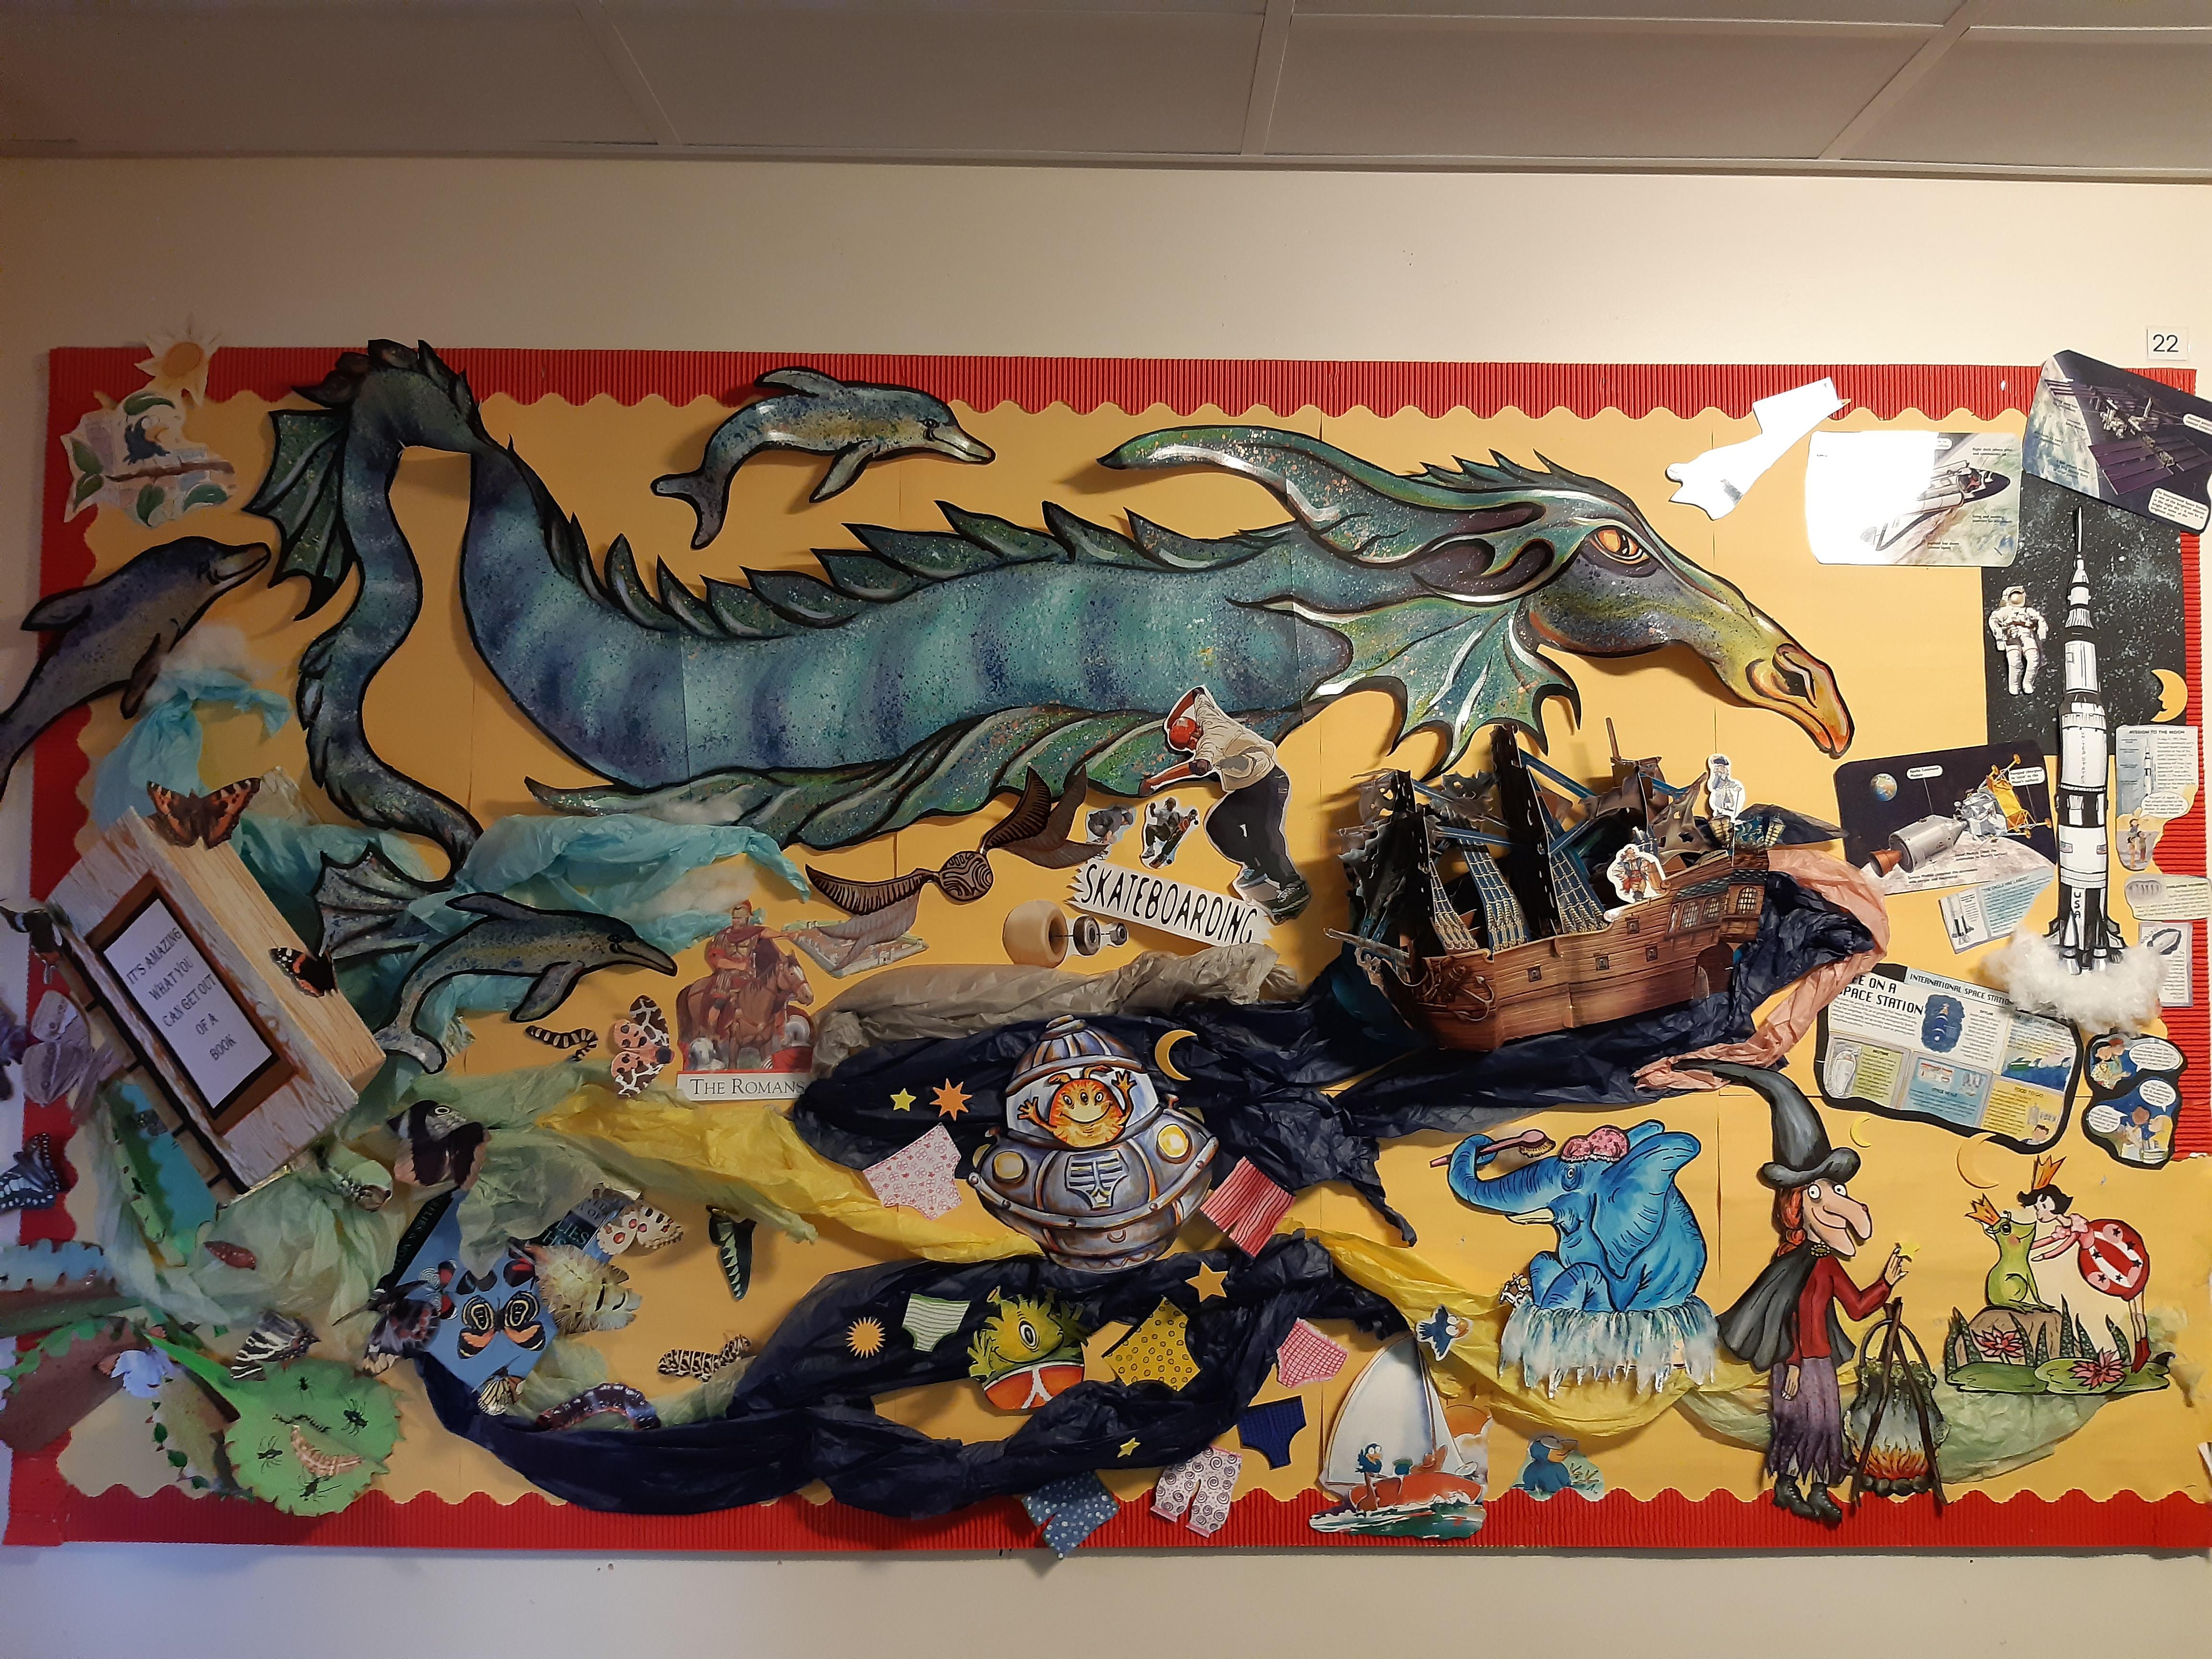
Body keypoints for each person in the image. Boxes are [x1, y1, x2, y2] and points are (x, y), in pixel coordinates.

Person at [1713, 1063, 1909, 1527]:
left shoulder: (1826, 1263)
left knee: (1825, 1425)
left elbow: (1857, 1308)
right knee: (1795, 1423)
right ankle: (1786, 1487)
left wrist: (1887, 1282)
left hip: (1821, 1364)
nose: (1837, 1205)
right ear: (1797, 1207)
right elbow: (1791, 1314)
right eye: (1819, 1195)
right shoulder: (1792, 1266)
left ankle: (1820, 1488)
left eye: (1837, 1190)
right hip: (1797, 1363)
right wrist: (1796, 1364)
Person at [1143, 687, 1309, 921]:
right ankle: (1256, 864)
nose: (1193, 747)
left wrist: (1156, 781)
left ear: (1196, 733)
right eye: (1188, 746)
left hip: (1269, 783)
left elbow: (1198, 767)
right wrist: (1173, 721)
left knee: (1264, 833)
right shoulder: (1208, 716)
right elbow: (1198, 693)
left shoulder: (1210, 742)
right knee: (1219, 823)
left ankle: (1292, 884)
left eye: (1191, 743)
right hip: (1246, 789)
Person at [1987, 586, 2047, 696]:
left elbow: (2040, 619)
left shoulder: (2028, 611)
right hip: (2012, 637)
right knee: (2014, 662)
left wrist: (2042, 629)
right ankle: (2014, 685)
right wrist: (1999, 636)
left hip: (2027, 635)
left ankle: (2028, 683)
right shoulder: (2005, 611)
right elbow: (1993, 621)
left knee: (2034, 660)